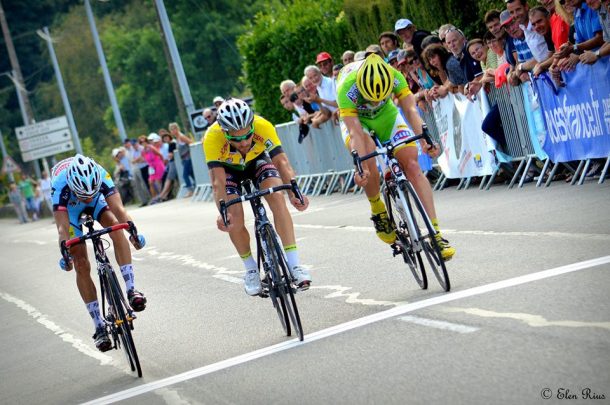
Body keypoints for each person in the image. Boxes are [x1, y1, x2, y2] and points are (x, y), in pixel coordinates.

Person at [335, 54, 455, 260]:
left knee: (412, 163)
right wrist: (360, 167)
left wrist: (425, 140)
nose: (374, 101)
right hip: (358, 120)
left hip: (386, 115)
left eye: (379, 97)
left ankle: (436, 234)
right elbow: (354, 132)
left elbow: (409, 109)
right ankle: (377, 207)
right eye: (370, 97)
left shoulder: (394, 75)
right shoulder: (346, 87)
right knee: (368, 157)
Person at [204, 98, 312, 295]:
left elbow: (282, 162)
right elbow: (218, 182)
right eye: (237, 139)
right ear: (225, 133)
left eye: (247, 135)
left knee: (277, 198)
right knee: (233, 218)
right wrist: (223, 211)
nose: (244, 142)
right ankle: (251, 269)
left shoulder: (263, 126)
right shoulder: (212, 137)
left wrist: (294, 192)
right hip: (229, 170)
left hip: (257, 162)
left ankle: (295, 265)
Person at [51, 154, 147, 351]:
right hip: (71, 209)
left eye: (90, 192)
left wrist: (133, 232)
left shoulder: (101, 174)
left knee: (115, 225)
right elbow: (62, 229)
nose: (86, 197)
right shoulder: (59, 186)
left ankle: (131, 289)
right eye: (82, 194)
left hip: (98, 202)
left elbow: (119, 210)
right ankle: (99, 326)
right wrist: (65, 253)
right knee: (80, 261)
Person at [169, 122, 195, 195]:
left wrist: (189, 152)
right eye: (171, 130)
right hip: (183, 159)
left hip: (187, 158)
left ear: (177, 128)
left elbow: (191, 142)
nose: (172, 131)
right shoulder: (177, 138)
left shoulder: (181, 137)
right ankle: (195, 188)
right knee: (191, 173)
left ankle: (190, 190)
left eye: (174, 129)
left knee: (185, 175)